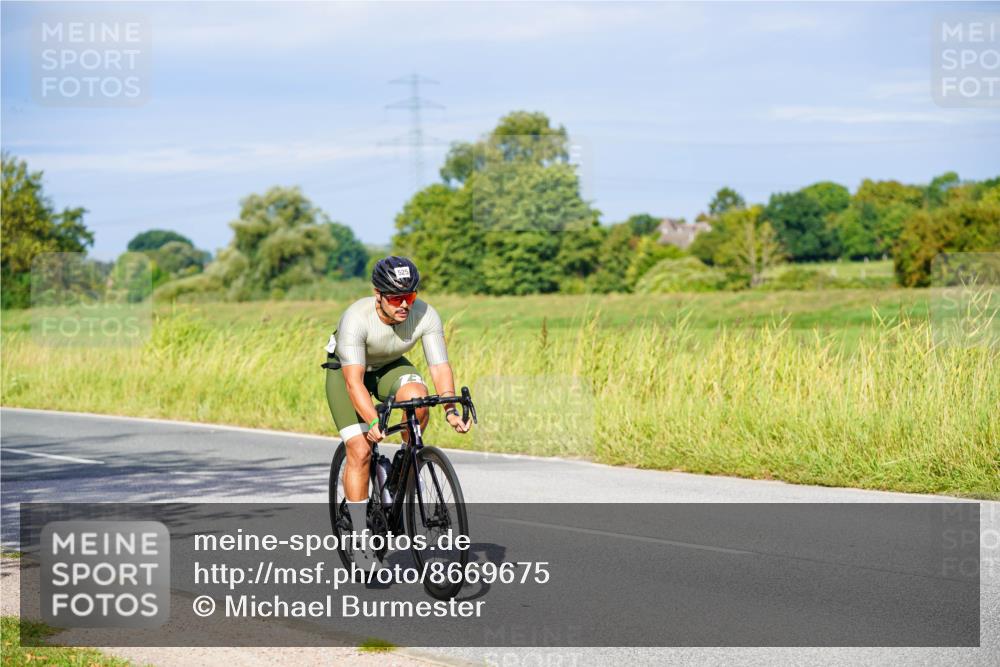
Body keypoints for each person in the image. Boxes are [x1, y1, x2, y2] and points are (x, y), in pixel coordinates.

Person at [324, 256, 471, 568]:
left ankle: (401, 470)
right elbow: (353, 383)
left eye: (410, 296)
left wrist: (450, 408)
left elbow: (439, 366)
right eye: (395, 298)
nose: (404, 304)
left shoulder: (425, 315)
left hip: (390, 367)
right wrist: (373, 421)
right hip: (347, 372)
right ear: (378, 295)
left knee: (419, 400)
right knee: (360, 449)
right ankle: (361, 541)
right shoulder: (356, 318)